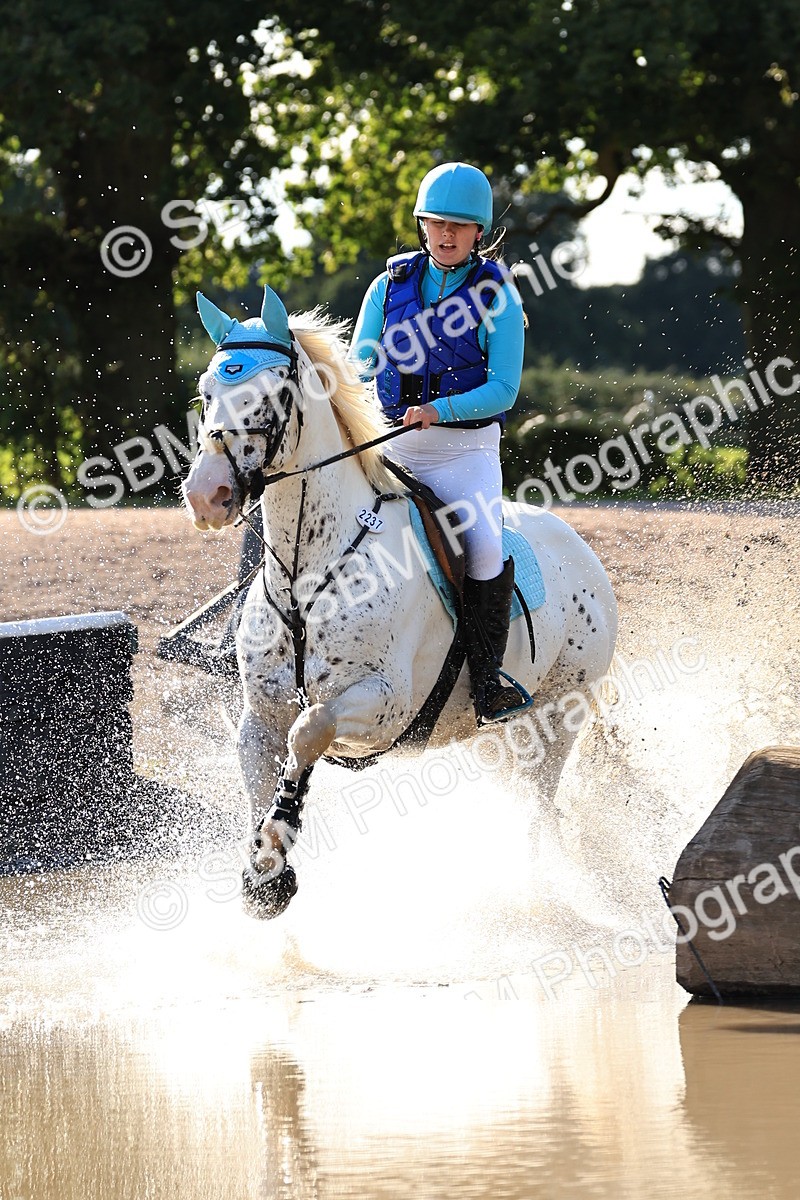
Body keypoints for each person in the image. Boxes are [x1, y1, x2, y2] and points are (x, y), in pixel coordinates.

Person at [349, 161, 531, 722]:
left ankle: (487, 684)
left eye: (459, 225)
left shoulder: (499, 297)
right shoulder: (388, 286)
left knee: (482, 549)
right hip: (393, 444)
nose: (446, 235)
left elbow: (503, 389)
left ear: (479, 232)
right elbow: (361, 359)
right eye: (435, 223)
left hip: (463, 454)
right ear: (421, 224)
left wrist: (438, 409)